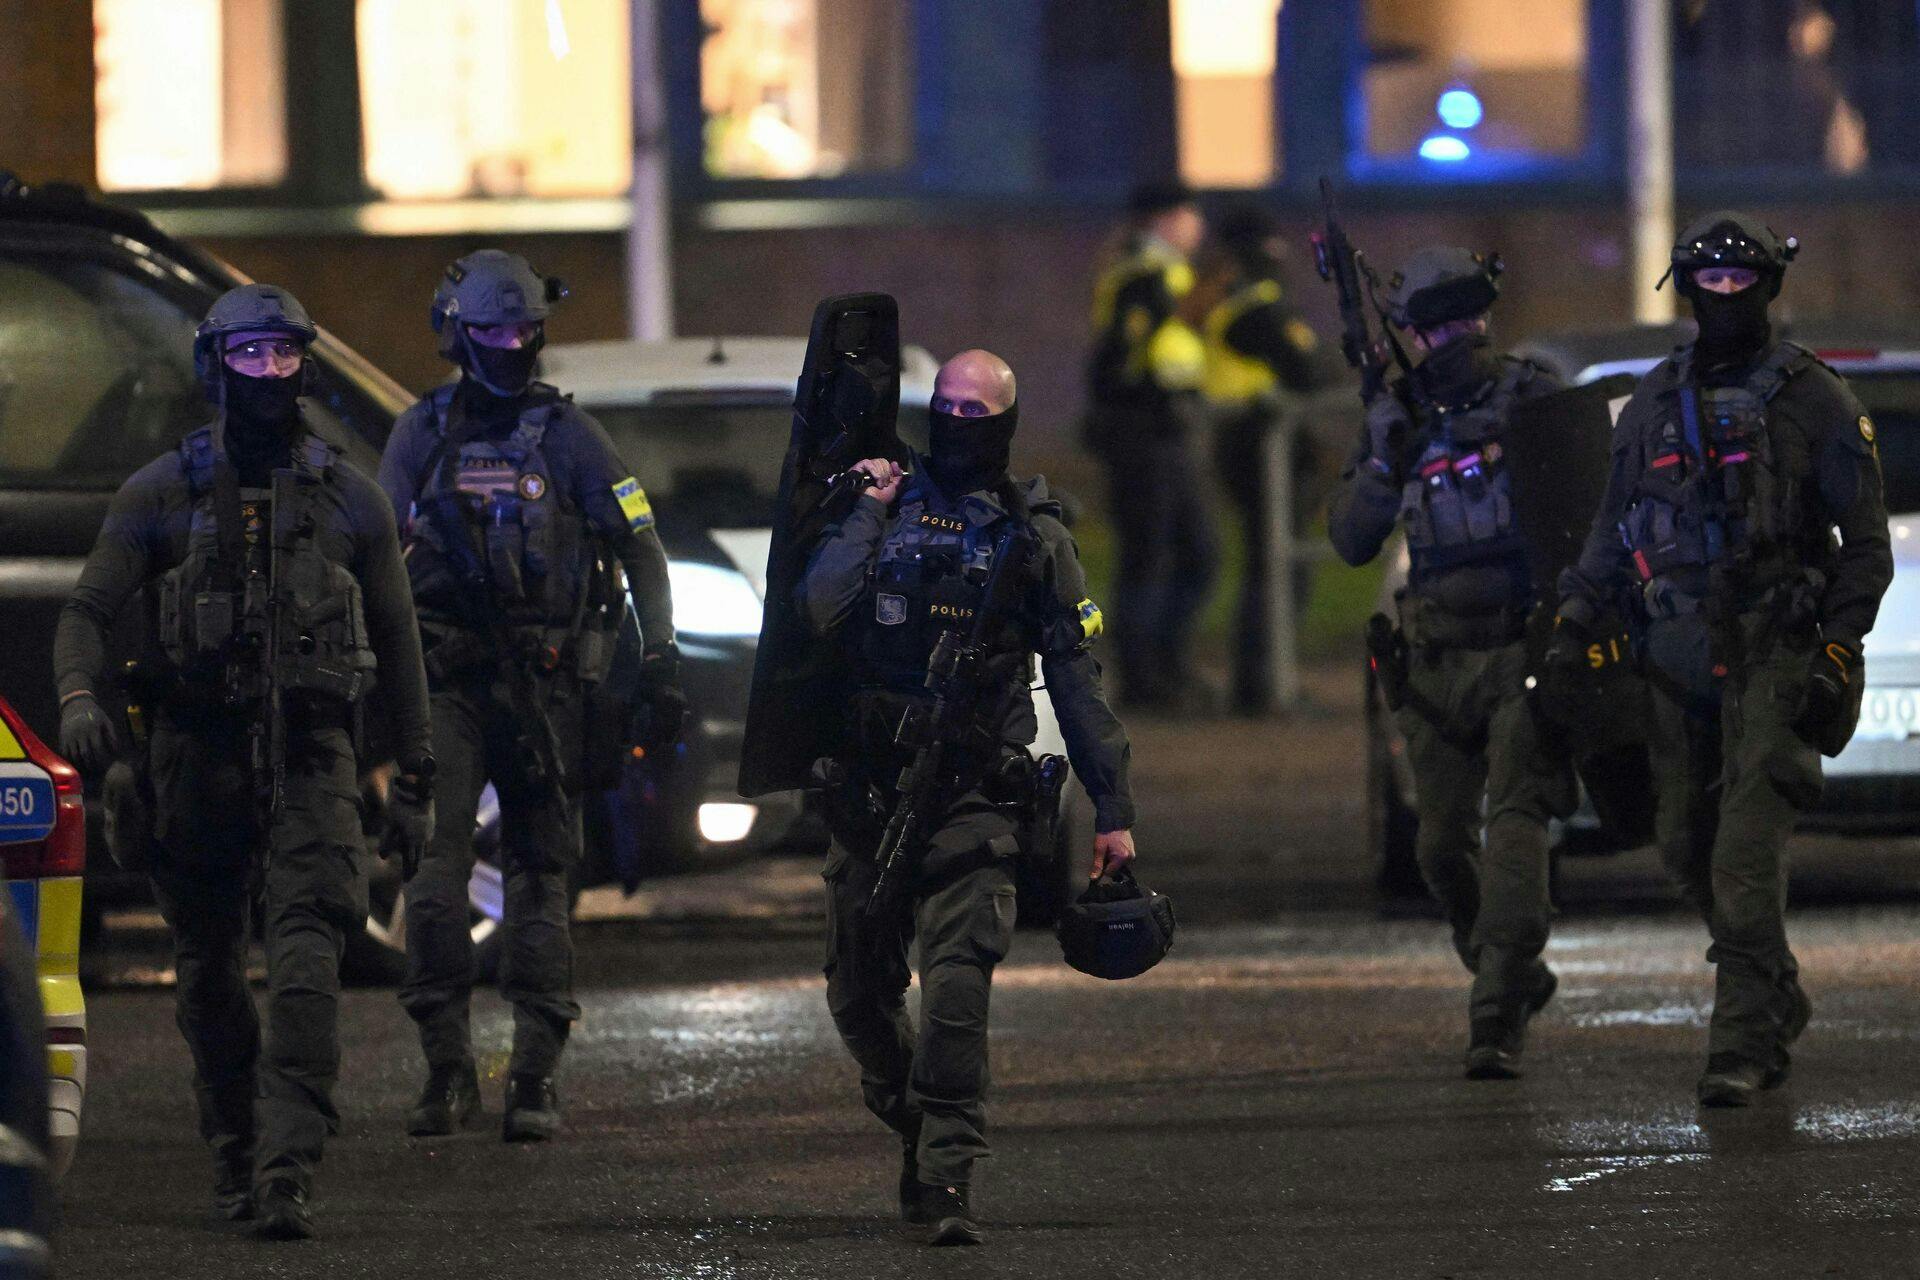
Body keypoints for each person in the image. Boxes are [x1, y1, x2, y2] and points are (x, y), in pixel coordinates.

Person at [54, 284, 435, 1239]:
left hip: (313, 758)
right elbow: (86, 614)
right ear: (215, 364)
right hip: (193, 761)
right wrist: (79, 700)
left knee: (308, 965)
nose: (270, 372)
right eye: (251, 354)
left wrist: (418, 776)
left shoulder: (352, 498)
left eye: (284, 354)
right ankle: (234, 1151)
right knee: (209, 975)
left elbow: (398, 642)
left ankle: (286, 1170)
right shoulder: (161, 492)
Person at [799, 349, 1136, 1246]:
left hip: (975, 795)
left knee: (956, 990)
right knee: (858, 997)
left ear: (1004, 424)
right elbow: (822, 607)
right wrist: (868, 511)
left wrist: (1114, 810)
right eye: (941, 407)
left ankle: (947, 1172)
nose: (954, 425)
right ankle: (911, 1117)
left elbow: (1075, 677)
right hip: (872, 793)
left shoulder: (1033, 539)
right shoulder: (890, 503)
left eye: (972, 412)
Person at [1554, 212, 1891, 1106]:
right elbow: (1612, 523)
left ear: (1769, 289)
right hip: (1676, 661)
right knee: (1685, 848)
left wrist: (1835, 645)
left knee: (1744, 868)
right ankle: (1775, 991)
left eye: (1744, 284)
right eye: (1712, 283)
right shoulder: (1655, 402)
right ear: (1688, 289)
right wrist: (1577, 614)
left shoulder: (1814, 399)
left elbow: (1864, 548)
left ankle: (1738, 1048)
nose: (1728, 297)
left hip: (1777, 656)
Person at [376, 251, 683, 1143]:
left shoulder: (570, 438)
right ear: (458, 334)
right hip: (448, 685)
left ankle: (536, 1075)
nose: (513, 347)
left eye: (524, 332)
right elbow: (375, 554)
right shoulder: (420, 435)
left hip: (547, 688)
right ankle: (446, 1068)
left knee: (541, 882)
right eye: (494, 333)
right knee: (433, 882)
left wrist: (656, 657)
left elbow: (641, 549)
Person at [1327, 247, 1572, 1079]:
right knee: (1438, 846)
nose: (1447, 343)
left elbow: (1583, 508)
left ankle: (1496, 1010)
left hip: (1519, 647)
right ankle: (1508, 966)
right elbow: (1353, 541)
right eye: (1432, 331)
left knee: (1516, 832)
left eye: (1459, 326)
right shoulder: (1399, 417)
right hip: (1434, 661)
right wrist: (1383, 460)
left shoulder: (1532, 398)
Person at [1083, 181, 1218, 712]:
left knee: (1192, 553)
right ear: (1164, 219)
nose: (1197, 225)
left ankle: (1165, 666)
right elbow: (1120, 357)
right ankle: (1144, 679)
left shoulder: (1167, 272)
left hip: (1168, 426)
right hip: (1144, 427)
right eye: (1190, 213)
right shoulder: (1143, 275)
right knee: (1152, 554)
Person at [1195, 201, 1325, 715]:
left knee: (1270, 567)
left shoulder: (1235, 305)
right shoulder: (1257, 309)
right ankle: (1264, 685)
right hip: (1260, 449)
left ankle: (1263, 682)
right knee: (1277, 570)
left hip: (1252, 447)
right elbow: (1310, 368)